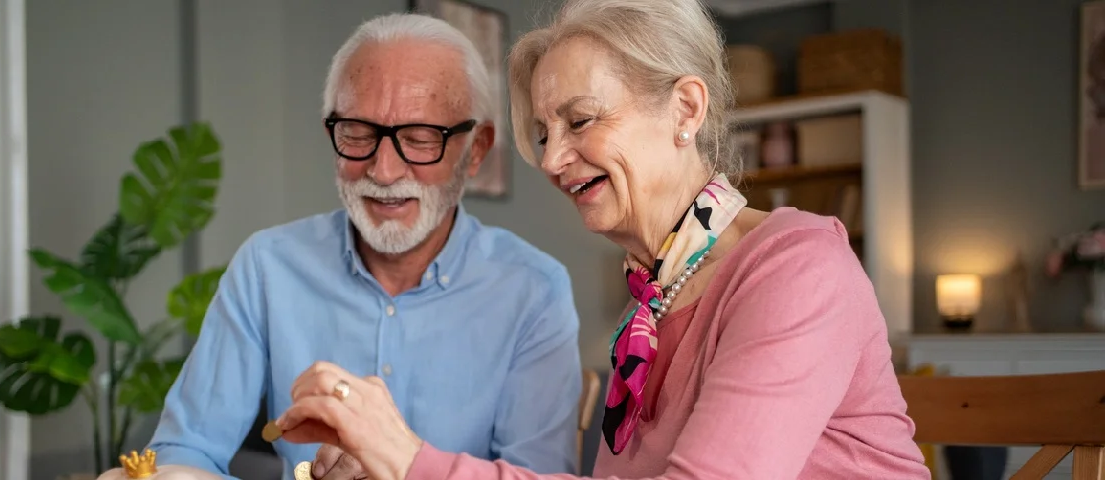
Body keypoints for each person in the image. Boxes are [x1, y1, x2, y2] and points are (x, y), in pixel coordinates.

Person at [272, 0, 932, 479]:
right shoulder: (649, 310)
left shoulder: (796, 269)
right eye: (543, 133)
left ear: (686, 109)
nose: (554, 158)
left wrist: (409, 460)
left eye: (580, 120)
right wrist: (395, 467)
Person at [97, 12, 583, 480]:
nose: (384, 171)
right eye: (358, 133)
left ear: (475, 150)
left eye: (418, 138)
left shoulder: (533, 290)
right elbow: (187, 449)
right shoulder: (268, 268)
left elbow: (536, 478)